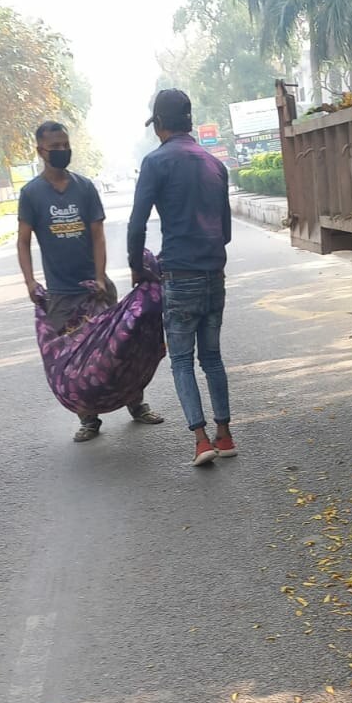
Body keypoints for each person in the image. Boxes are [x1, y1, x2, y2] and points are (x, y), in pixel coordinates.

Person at [18, 120, 163, 442]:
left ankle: (137, 406)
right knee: (73, 361)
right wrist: (29, 282)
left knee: (118, 351)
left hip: (95, 290)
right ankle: (88, 419)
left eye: (64, 145)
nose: (61, 151)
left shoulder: (84, 188)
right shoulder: (31, 194)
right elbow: (23, 241)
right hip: (60, 296)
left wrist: (100, 276)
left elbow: (98, 234)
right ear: (40, 151)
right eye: (54, 147)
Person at [128, 89, 235, 467]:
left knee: (182, 361)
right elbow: (225, 233)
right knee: (212, 358)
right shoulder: (215, 165)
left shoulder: (155, 163)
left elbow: (137, 223)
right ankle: (225, 435)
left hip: (179, 276)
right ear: (189, 121)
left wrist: (135, 268)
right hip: (214, 274)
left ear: (159, 124)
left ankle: (201, 440)